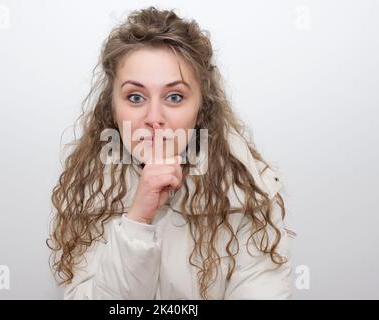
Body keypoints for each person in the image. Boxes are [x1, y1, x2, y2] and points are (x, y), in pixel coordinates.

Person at [47, 6, 294, 300]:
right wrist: (138, 219)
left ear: (201, 108)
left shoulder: (250, 191)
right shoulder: (88, 190)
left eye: (174, 97)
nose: (154, 117)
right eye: (135, 97)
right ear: (112, 108)